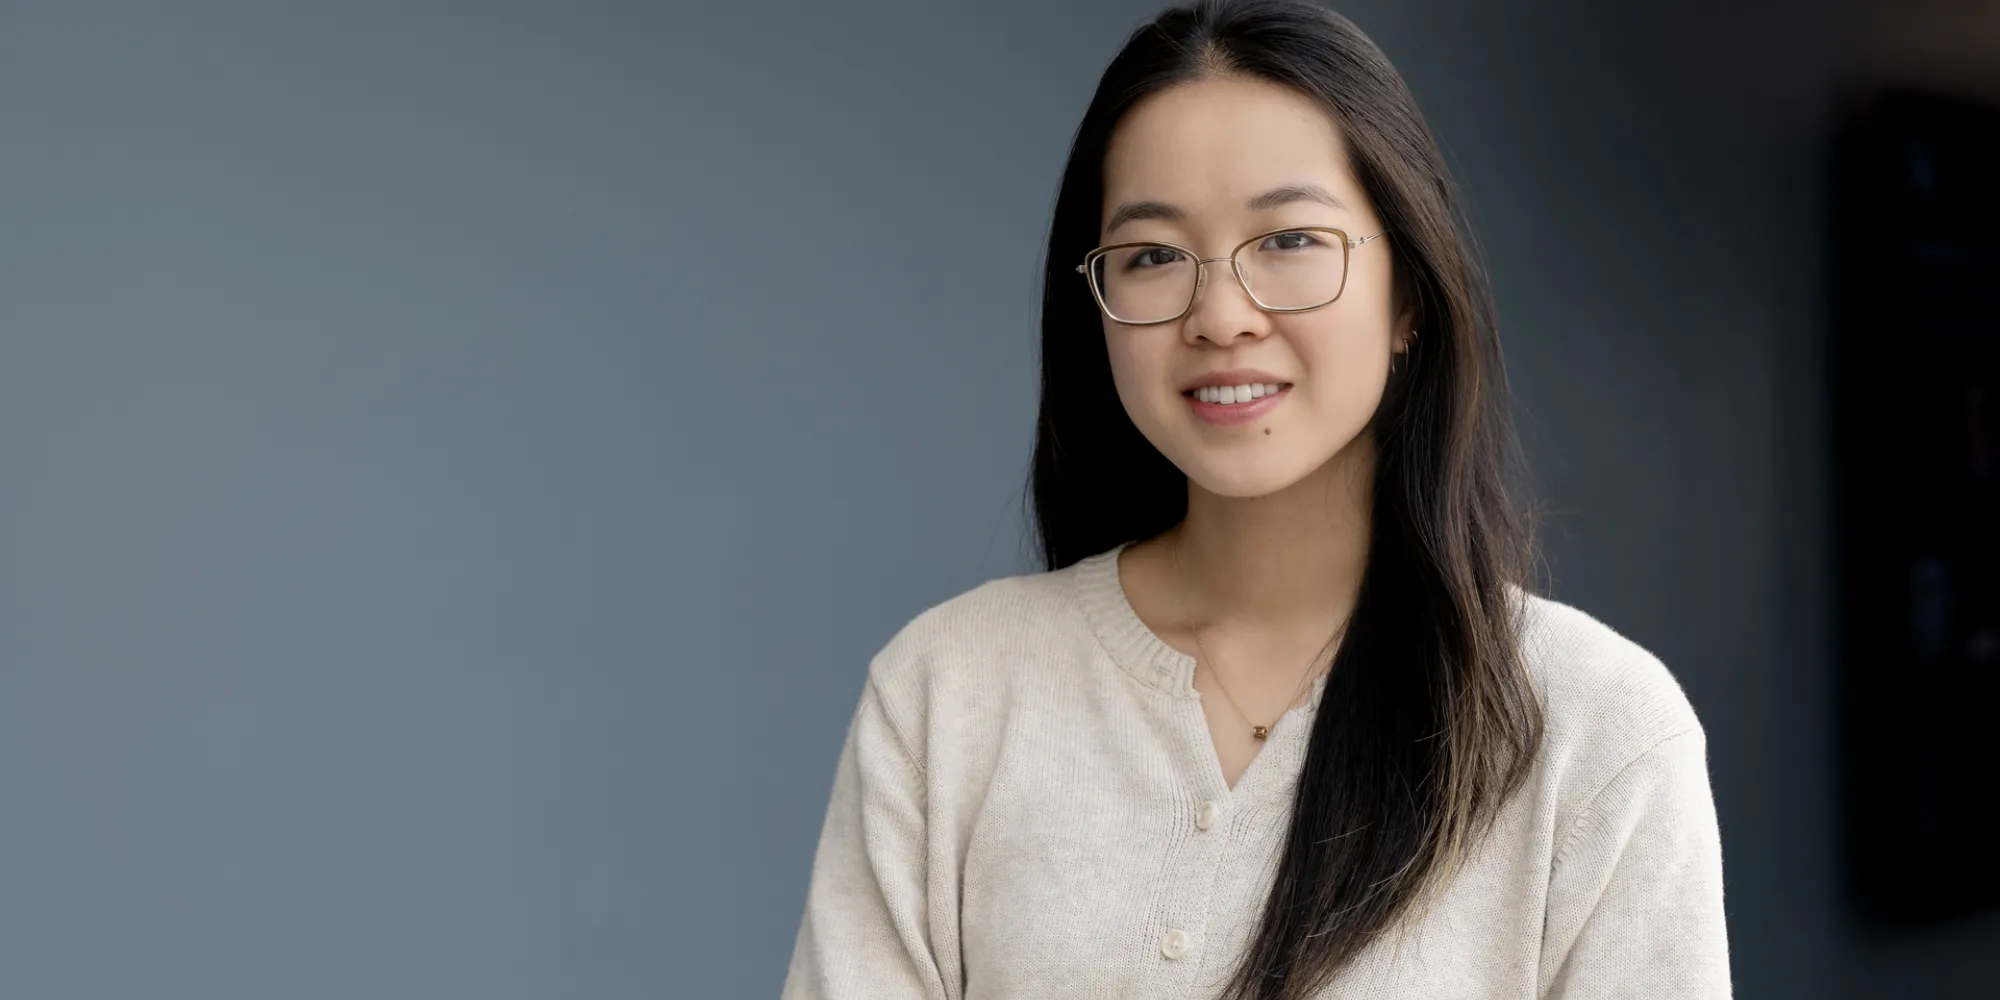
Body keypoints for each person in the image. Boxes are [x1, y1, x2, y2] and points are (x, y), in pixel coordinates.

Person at [781, 1, 1730, 996]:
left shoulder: (1590, 730)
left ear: (1406, 294)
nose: (1219, 315)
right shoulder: (947, 697)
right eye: (1151, 256)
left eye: (1287, 240)